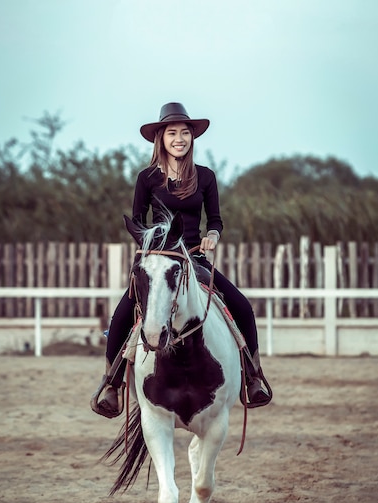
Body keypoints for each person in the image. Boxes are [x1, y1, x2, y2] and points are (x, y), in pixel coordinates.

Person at [92, 102, 272, 418]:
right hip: (158, 259)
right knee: (122, 315)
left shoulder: (205, 177)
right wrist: (147, 248)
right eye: (172, 133)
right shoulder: (146, 178)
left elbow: (215, 219)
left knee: (241, 306)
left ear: (192, 138)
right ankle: (112, 384)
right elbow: (137, 220)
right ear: (160, 138)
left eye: (185, 133)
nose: (180, 139)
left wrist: (213, 236)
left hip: (194, 258)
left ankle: (252, 378)